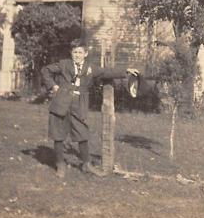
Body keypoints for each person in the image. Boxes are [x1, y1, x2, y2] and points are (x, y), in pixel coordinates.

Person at [41, 38, 138, 178]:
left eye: (80, 52)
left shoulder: (91, 68)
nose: (77, 55)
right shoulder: (64, 64)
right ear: (71, 53)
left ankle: (86, 164)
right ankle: (60, 164)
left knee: (82, 134)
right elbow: (45, 70)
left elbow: (107, 72)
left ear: (85, 54)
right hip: (61, 103)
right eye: (75, 52)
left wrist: (126, 71)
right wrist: (53, 86)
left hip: (79, 105)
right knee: (58, 134)